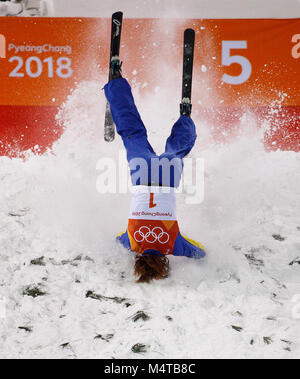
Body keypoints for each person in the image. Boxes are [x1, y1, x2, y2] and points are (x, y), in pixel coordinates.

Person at [104, 57, 206, 283]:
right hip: (142, 174)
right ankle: (116, 82)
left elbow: (199, 252)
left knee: (177, 149)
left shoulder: (173, 245)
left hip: (167, 178)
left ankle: (185, 117)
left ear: (164, 262)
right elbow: (115, 240)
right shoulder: (131, 241)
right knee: (131, 132)